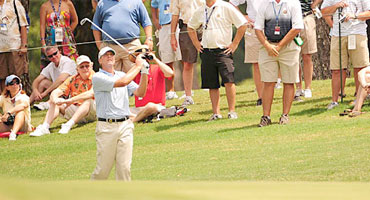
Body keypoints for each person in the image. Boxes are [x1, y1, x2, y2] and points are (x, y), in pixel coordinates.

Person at [90, 47, 148, 181]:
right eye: (106, 55)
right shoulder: (98, 77)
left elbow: (140, 93)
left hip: (125, 125)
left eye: (111, 55)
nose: (109, 57)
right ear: (100, 60)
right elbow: (123, 83)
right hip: (106, 128)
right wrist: (138, 65)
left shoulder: (122, 74)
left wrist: (144, 71)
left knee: (124, 168)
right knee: (102, 171)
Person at [188, 0, 247, 121]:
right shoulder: (201, 10)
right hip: (207, 51)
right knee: (211, 84)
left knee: (229, 81)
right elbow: (190, 27)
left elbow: (242, 24)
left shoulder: (225, 7)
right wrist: (195, 43)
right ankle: (216, 112)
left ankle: (231, 111)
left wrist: (234, 44)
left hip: (223, 51)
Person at [255, 0, 304, 126]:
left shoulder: (293, 3)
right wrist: (267, 45)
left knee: (289, 81)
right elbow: (258, 28)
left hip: (289, 47)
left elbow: (297, 27)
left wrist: (279, 46)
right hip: (268, 47)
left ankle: (285, 115)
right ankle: (266, 116)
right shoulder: (264, 4)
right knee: (268, 82)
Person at [30, 55, 96, 137]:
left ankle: (68, 125)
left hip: (93, 111)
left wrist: (69, 100)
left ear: (91, 66)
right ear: (77, 69)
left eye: (87, 66)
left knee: (88, 100)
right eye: (82, 67)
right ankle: (45, 127)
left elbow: (91, 93)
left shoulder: (97, 77)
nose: (85, 69)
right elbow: (57, 91)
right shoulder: (72, 79)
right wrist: (54, 99)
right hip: (76, 109)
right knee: (57, 102)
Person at [321, 0, 370, 110]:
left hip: (357, 33)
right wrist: (336, 6)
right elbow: (323, 12)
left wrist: (355, 16)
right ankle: (335, 101)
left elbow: (368, 13)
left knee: (360, 68)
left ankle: (359, 98)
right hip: (338, 35)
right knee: (337, 69)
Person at [92, 0, 153, 73]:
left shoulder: (136, 2)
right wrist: (100, 45)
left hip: (132, 46)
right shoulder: (102, 3)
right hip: (109, 48)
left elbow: (146, 22)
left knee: (135, 78)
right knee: (112, 80)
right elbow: (96, 26)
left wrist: (149, 38)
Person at [170, 0, 204, 106]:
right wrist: (172, 36)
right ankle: (188, 96)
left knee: (212, 59)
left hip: (204, 27)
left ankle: (214, 89)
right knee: (187, 63)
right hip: (186, 27)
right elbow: (175, 14)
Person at [229, 0, 264, 106]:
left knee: (278, 60)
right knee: (256, 63)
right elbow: (232, 3)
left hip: (274, 25)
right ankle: (261, 97)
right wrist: (243, 18)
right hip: (253, 27)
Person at [128, 45, 174, 122]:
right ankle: (141, 117)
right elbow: (126, 78)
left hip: (156, 106)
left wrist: (155, 60)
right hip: (139, 108)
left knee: (151, 107)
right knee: (122, 111)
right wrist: (138, 64)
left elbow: (170, 73)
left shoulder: (157, 68)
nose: (145, 59)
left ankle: (134, 120)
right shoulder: (135, 71)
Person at [151, 0, 182, 100]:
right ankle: (171, 90)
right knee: (167, 61)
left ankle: (187, 91)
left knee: (184, 60)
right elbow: (153, 6)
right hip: (164, 26)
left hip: (179, 26)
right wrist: (155, 20)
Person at [294, 0, 322, 100]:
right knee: (294, 57)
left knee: (307, 55)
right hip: (291, 19)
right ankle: (298, 88)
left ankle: (308, 88)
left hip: (306, 17)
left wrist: (314, 4)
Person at [40, 0, 79, 69]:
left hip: (67, 41)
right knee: (53, 62)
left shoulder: (68, 3)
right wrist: (43, 42)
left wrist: (68, 32)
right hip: (51, 40)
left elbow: (75, 20)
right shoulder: (44, 6)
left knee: (71, 62)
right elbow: (42, 25)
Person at [0, 0, 29, 93]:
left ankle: (18, 98)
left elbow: (23, 25)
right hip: (0, 48)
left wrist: (24, 45)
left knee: (16, 75)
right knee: (2, 76)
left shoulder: (14, 2)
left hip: (14, 46)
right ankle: (4, 101)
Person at [0, 75, 32, 141]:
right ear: (7, 87)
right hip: (8, 125)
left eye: (17, 82)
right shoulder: (3, 98)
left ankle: (13, 134)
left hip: (23, 126)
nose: (15, 85)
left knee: (21, 113)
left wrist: (9, 113)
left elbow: (23, 105)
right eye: (12, 83)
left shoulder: (23, 97)